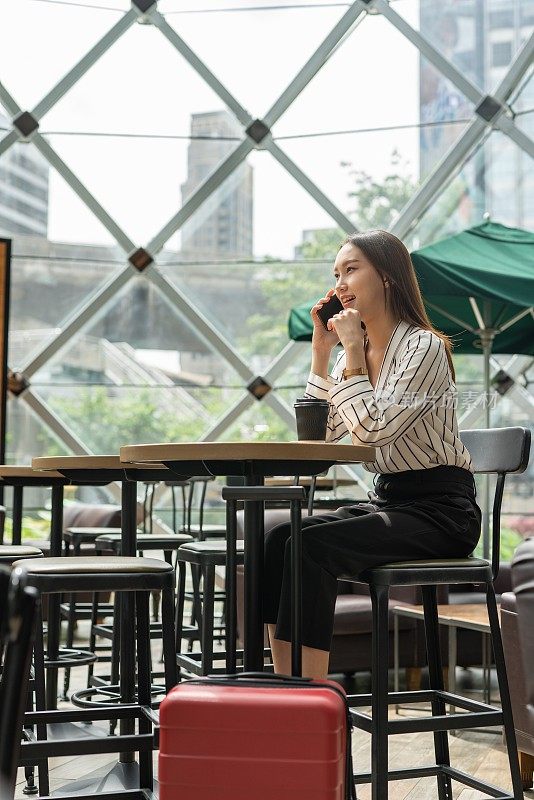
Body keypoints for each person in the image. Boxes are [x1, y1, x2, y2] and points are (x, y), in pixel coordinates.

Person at [264, 229, 482, 679]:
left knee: (312, 546)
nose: (340, 283)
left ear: (386, 276)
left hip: (441, 512)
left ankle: (308, 695)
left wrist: (352, 356)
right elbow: (319, 443)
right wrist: (321, 359)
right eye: (336, 273)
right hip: (390, 502)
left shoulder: (422, 346)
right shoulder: (353, 355)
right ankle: (282, 687)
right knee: (279, 537)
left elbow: (373, 432)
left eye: (351, 269)